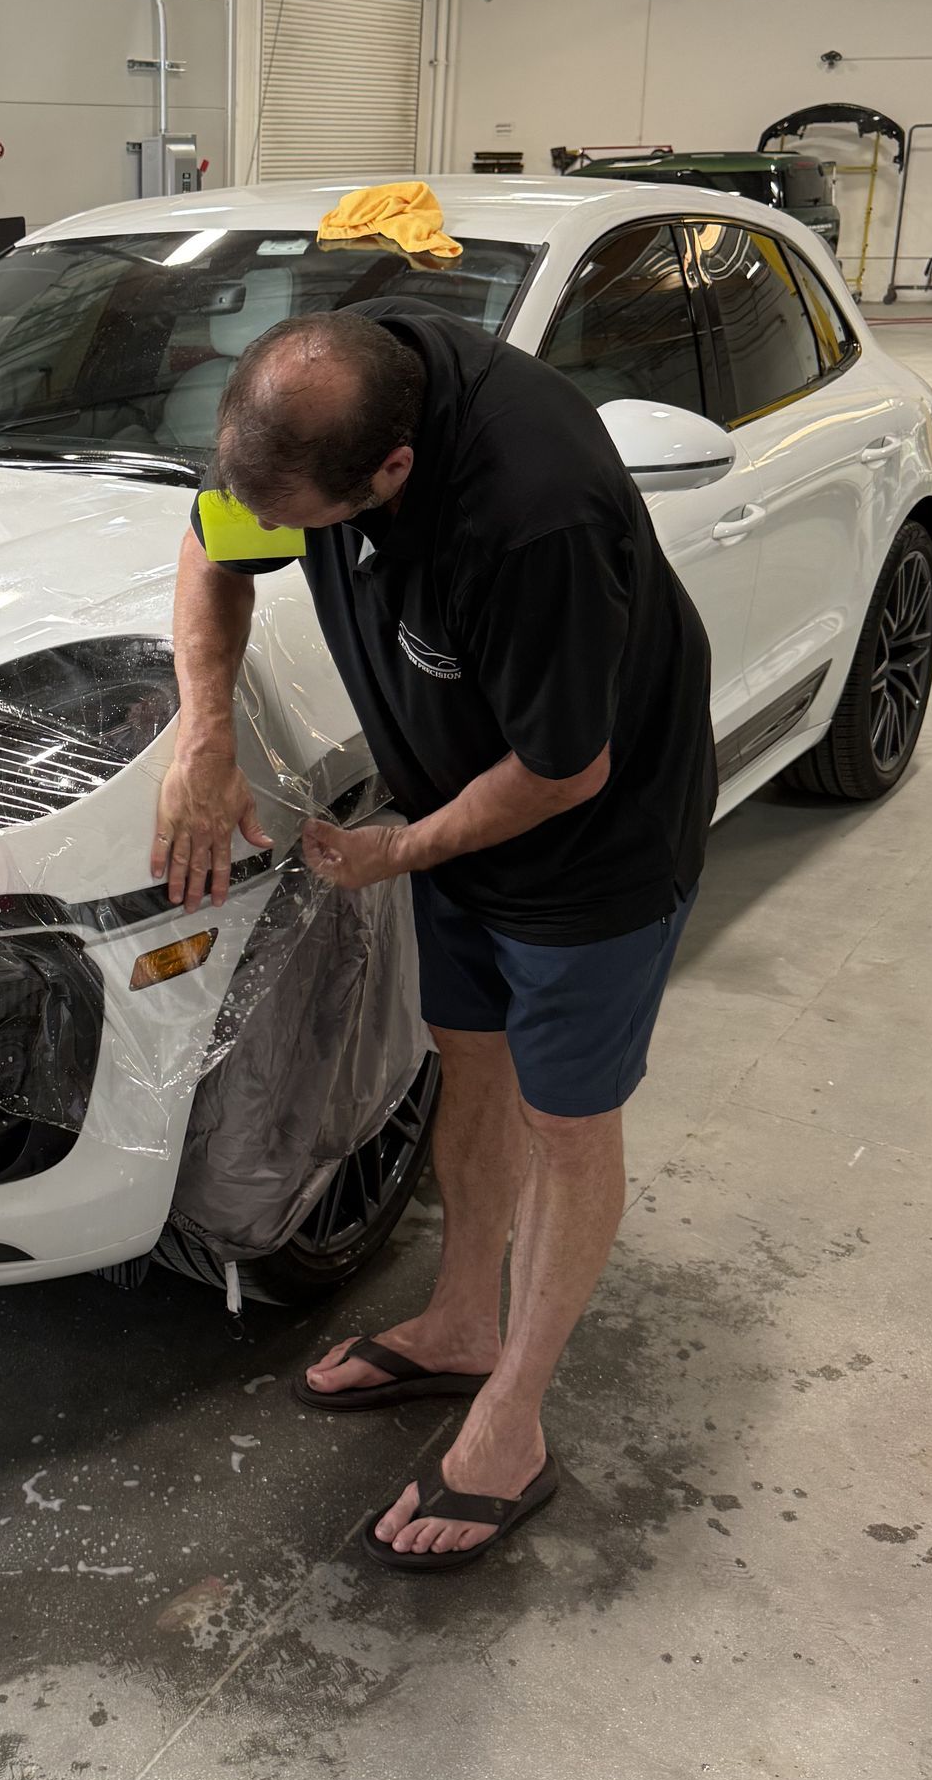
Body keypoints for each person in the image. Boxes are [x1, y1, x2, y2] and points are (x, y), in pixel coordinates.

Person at [153, 306, 714, 1573]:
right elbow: (209, 551)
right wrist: (203, 731)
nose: (283, 538)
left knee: (571, 1125)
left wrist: (396, 851)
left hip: (592, 846)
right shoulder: (318, 406)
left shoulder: (534, 515)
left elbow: (567, 771)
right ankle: (465, 1320)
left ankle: (512, 1422)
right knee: (470, 1055)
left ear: (391, 473)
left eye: (309, 523)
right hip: (456, 802)